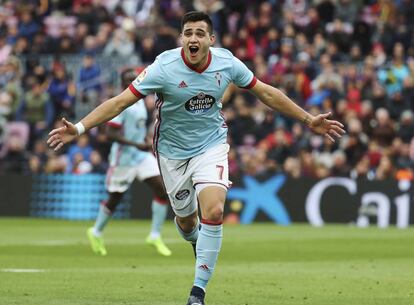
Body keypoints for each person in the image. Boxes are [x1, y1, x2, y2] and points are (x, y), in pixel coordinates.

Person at [48, 11, 345, 305]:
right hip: (171, 152)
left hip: (211, 145)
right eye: (188, 33)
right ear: (181, 38)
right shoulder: (164, 66)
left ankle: (197, 293)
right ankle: (195, 239)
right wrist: (80, 127)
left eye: (200, 33)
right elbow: (120, 101)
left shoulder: (227, 62)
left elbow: (266, 93)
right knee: (187, 222)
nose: (193, 38)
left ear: (211, 39)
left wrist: (308, 120)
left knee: (214, 211)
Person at [87, 67, 171, 257]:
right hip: (123, 159)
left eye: (135, 79)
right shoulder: (120, 104)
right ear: (123, 83)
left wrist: (145, 142)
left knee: (162, 189)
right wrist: (135, 144)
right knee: (115, 198)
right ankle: (96, 231)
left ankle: (155, 235)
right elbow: (110, 134)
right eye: (128, 80)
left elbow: (137, 129)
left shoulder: (140, 102)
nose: (133, 83)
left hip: (140, 156)